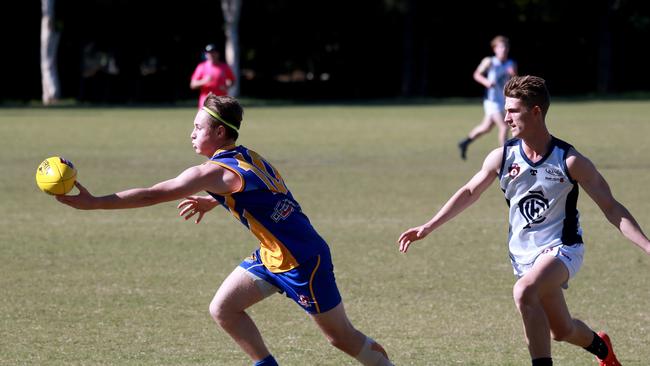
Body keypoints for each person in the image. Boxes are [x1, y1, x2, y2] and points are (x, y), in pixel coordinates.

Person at [55, 93, 393, 366]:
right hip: (273, 254)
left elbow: (154, 193)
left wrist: (95, 202)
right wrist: (215, 200)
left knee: (340, 337)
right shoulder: (248, 157)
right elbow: (259, 193)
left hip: (303, 261)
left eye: (198, 127)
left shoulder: (213, 172)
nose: (191, 133)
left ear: (219, 132)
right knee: (224, 308)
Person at [398, 75, 650, 366]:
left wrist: (646, 246)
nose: (505, 118)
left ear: (535, 112)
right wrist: (428, 226)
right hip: (523, 254)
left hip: (562, 248)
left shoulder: (569, 161)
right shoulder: (502, 157)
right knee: (562, 330)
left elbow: (611, 207)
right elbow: (469, 191)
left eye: (512, 110)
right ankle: (602, 349)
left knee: (524, 291)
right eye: (505, 110)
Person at [458, 35, 517, 160]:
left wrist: (513, 74)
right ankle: (506, 156)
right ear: (495, 49)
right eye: (501, 47)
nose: (504, 49)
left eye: (505, 46)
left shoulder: (511, 63)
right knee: (504, 126)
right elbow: (476, 74)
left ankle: (465, 142)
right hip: (492, 101)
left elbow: (515, 81)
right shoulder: (489, 62)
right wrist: (486, 82)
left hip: (503, 100)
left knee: (486, 127)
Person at [190, 44, 236, 109]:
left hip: (222, 101)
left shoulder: (224, 67)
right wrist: (203, 81)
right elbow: (192, 85)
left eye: (213, 52)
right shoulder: (201, 67)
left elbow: (233, 81)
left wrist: (227, 86)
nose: (211, 54)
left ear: (218, 54)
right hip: (206, 101)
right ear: (206, 54)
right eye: (209, 53)